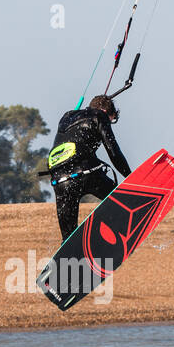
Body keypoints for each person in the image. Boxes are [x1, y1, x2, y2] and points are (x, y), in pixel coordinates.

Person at [40, 94, 131, 239]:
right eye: (111, 120)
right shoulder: (100, 115)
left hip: (60, 180)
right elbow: (114, 152)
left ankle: (69, 257)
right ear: (108, 113)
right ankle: (118, 228)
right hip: (85, 173)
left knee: (68, 237)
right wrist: (131, 178)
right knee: (120, 203)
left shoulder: (66, 116)